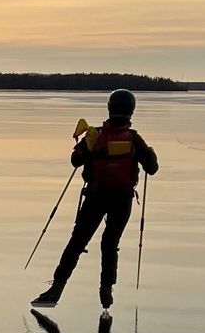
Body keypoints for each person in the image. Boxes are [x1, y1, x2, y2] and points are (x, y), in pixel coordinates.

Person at [30, 88, 158, 311]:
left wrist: (88, 150)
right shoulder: (135, 139)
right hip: (122, 200)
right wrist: (149, 153)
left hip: (95, 197)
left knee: (77, 243)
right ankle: (106, 290)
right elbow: (152, 169)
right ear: (131, 110)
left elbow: (74, 161)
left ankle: (56, 289)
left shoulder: (95, 134)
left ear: (110, 107)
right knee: (110, 244)